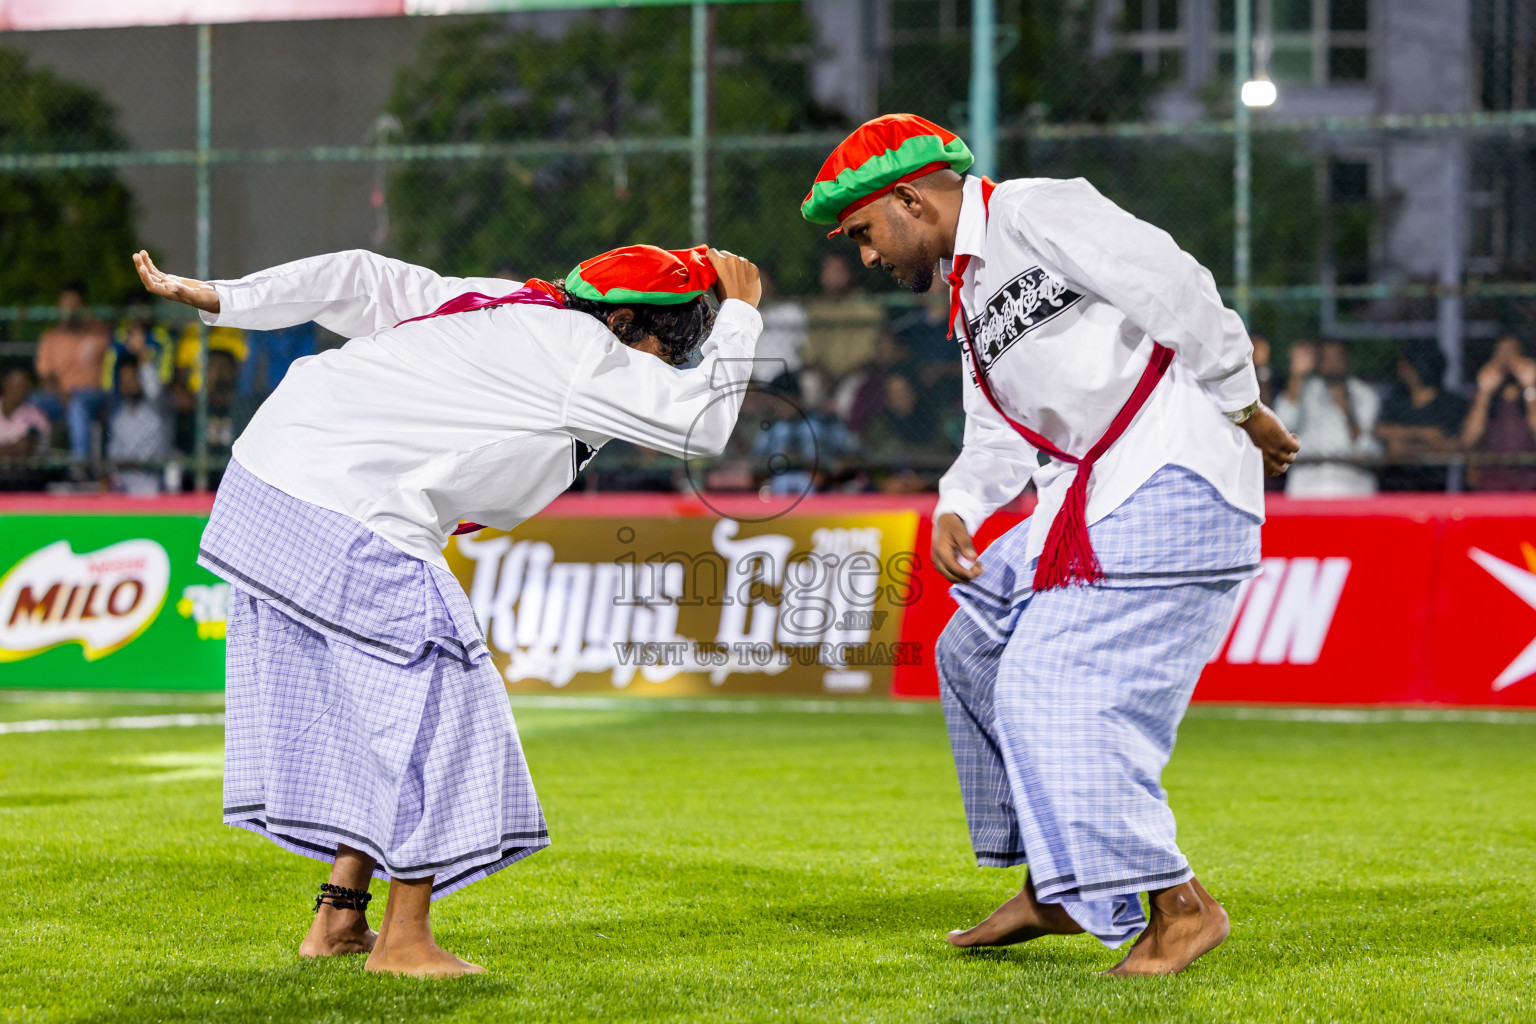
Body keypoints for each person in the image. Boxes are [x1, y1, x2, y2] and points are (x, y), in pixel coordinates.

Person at [134, 242, 762, 977]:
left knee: (390, 714)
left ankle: (339, 917)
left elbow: (366, 276)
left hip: (270, 477)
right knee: (443, 706)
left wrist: (225, 296)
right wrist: (744, 315)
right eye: (670, 343)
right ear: (622, 321)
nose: (667, 364)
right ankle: (405, 943)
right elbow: (703, 426)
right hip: (344, 500)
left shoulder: (513, 301)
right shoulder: (582, 350)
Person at [802, 114, 1297, 975]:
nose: (865, 258)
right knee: (974, 646)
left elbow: (1176, 283)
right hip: (1088, 502)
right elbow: (997, 431)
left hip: (1172, 478)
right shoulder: (968, 294)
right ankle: (1064, 882)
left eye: (864, 232)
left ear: (913, 198)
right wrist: (957, 504)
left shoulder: (1037, 212)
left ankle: (1179, 906)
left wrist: (1242, 402)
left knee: (1045, 687)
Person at [1273, 340, 1381, 497]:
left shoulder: (1364, 395)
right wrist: (1296, 376)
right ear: (1318, 362)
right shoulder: (1305, 390)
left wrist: (1346, 407)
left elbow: (1364, 446)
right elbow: (1283, 423)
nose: (1332, 364)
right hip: (1307, 481)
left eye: (1337, 358)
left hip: (1351, 481)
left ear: (1348, 360)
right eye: (1326, 358)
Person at [32, 281, 111, 461]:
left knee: (78, 406)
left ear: (83, 306)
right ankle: (33, 465)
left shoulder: (100, 333)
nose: (69, 310)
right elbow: (45, 376)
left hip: (92, 397)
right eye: (65, 305)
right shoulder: (50, 337)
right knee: (31, 403)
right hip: (58, 398)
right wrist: (62, 394)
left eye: (74, 305)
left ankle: (79, 466)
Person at [1374, 341, 1467, 492]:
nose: (1401, 370)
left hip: (1435, 488)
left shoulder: (1450, 403)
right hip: (1394, 487)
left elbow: (1454, 445)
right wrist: (1423, 434)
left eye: (1405, 365)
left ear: (1417, 366)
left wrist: (1406, 445)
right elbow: (1382, 431)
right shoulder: (1396, 399)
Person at [1462, 334, 1536, 491]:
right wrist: (1484, 393)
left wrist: (1530, 388)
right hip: (1492, 483)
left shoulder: (1532, 395)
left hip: (1530, 483)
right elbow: (1469, 440)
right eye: (1501, 354)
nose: (1507, 360)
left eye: (1512, 353)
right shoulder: (1482, 398)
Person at [801, 252, 885, 381]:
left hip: (857, 375)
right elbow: (810, 352)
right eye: (827, 270)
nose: (831, 276)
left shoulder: (866, 308)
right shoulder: (817, 309)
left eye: (837, 270)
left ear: (849, 273)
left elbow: (868, 355)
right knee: (808, 381)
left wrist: (842, 378)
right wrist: (823, 375)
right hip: (822, 376)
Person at [105, 356, 171, 494]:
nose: (128, 385)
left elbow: (154, 389)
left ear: (141, 380)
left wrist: (142, 355)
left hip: (155, 487)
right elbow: (114, 455)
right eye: (125, 381)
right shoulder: (119, 418)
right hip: (124, 490)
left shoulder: (156, 408)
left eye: (132, 379)